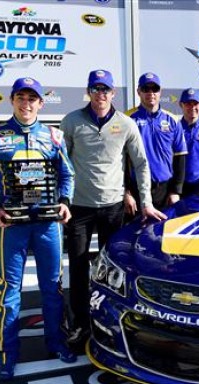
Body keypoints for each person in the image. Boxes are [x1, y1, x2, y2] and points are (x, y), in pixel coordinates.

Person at [0, 77, 77, 380]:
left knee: (52, 288)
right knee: (9, 290)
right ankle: (7, 354)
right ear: (12, 100)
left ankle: (56, 344)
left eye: (32, 98)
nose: (26, 104)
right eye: (21, 97)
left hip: (47, 223)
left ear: (41, 103)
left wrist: (65, 202)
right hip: (11, 225)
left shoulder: (54, 136)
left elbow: (67, 174)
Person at [61, 70, 165, 353]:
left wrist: (146, 202)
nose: (101, 94)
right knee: (79, 265)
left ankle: (108, 317)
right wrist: (62, 200)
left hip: (112, 207)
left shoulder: (126, 124)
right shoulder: (71, 121)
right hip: (79, 208)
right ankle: (81, 322)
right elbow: (62, 164)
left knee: (112, 268)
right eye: (96, 88)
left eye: (106, 89)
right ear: (89, 91)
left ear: (113, 93)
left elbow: (141, 164)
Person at [127, 72, 188, 208]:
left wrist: (175, 191)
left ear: (160, 92)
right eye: (146, 89)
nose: (151, 93)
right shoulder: (127, 119)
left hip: (164, 191)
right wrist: (126, 192)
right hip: (136, 190)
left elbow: (180, 157)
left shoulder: (172, 120)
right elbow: (121, 159)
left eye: (154, 89)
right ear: (138, 92)